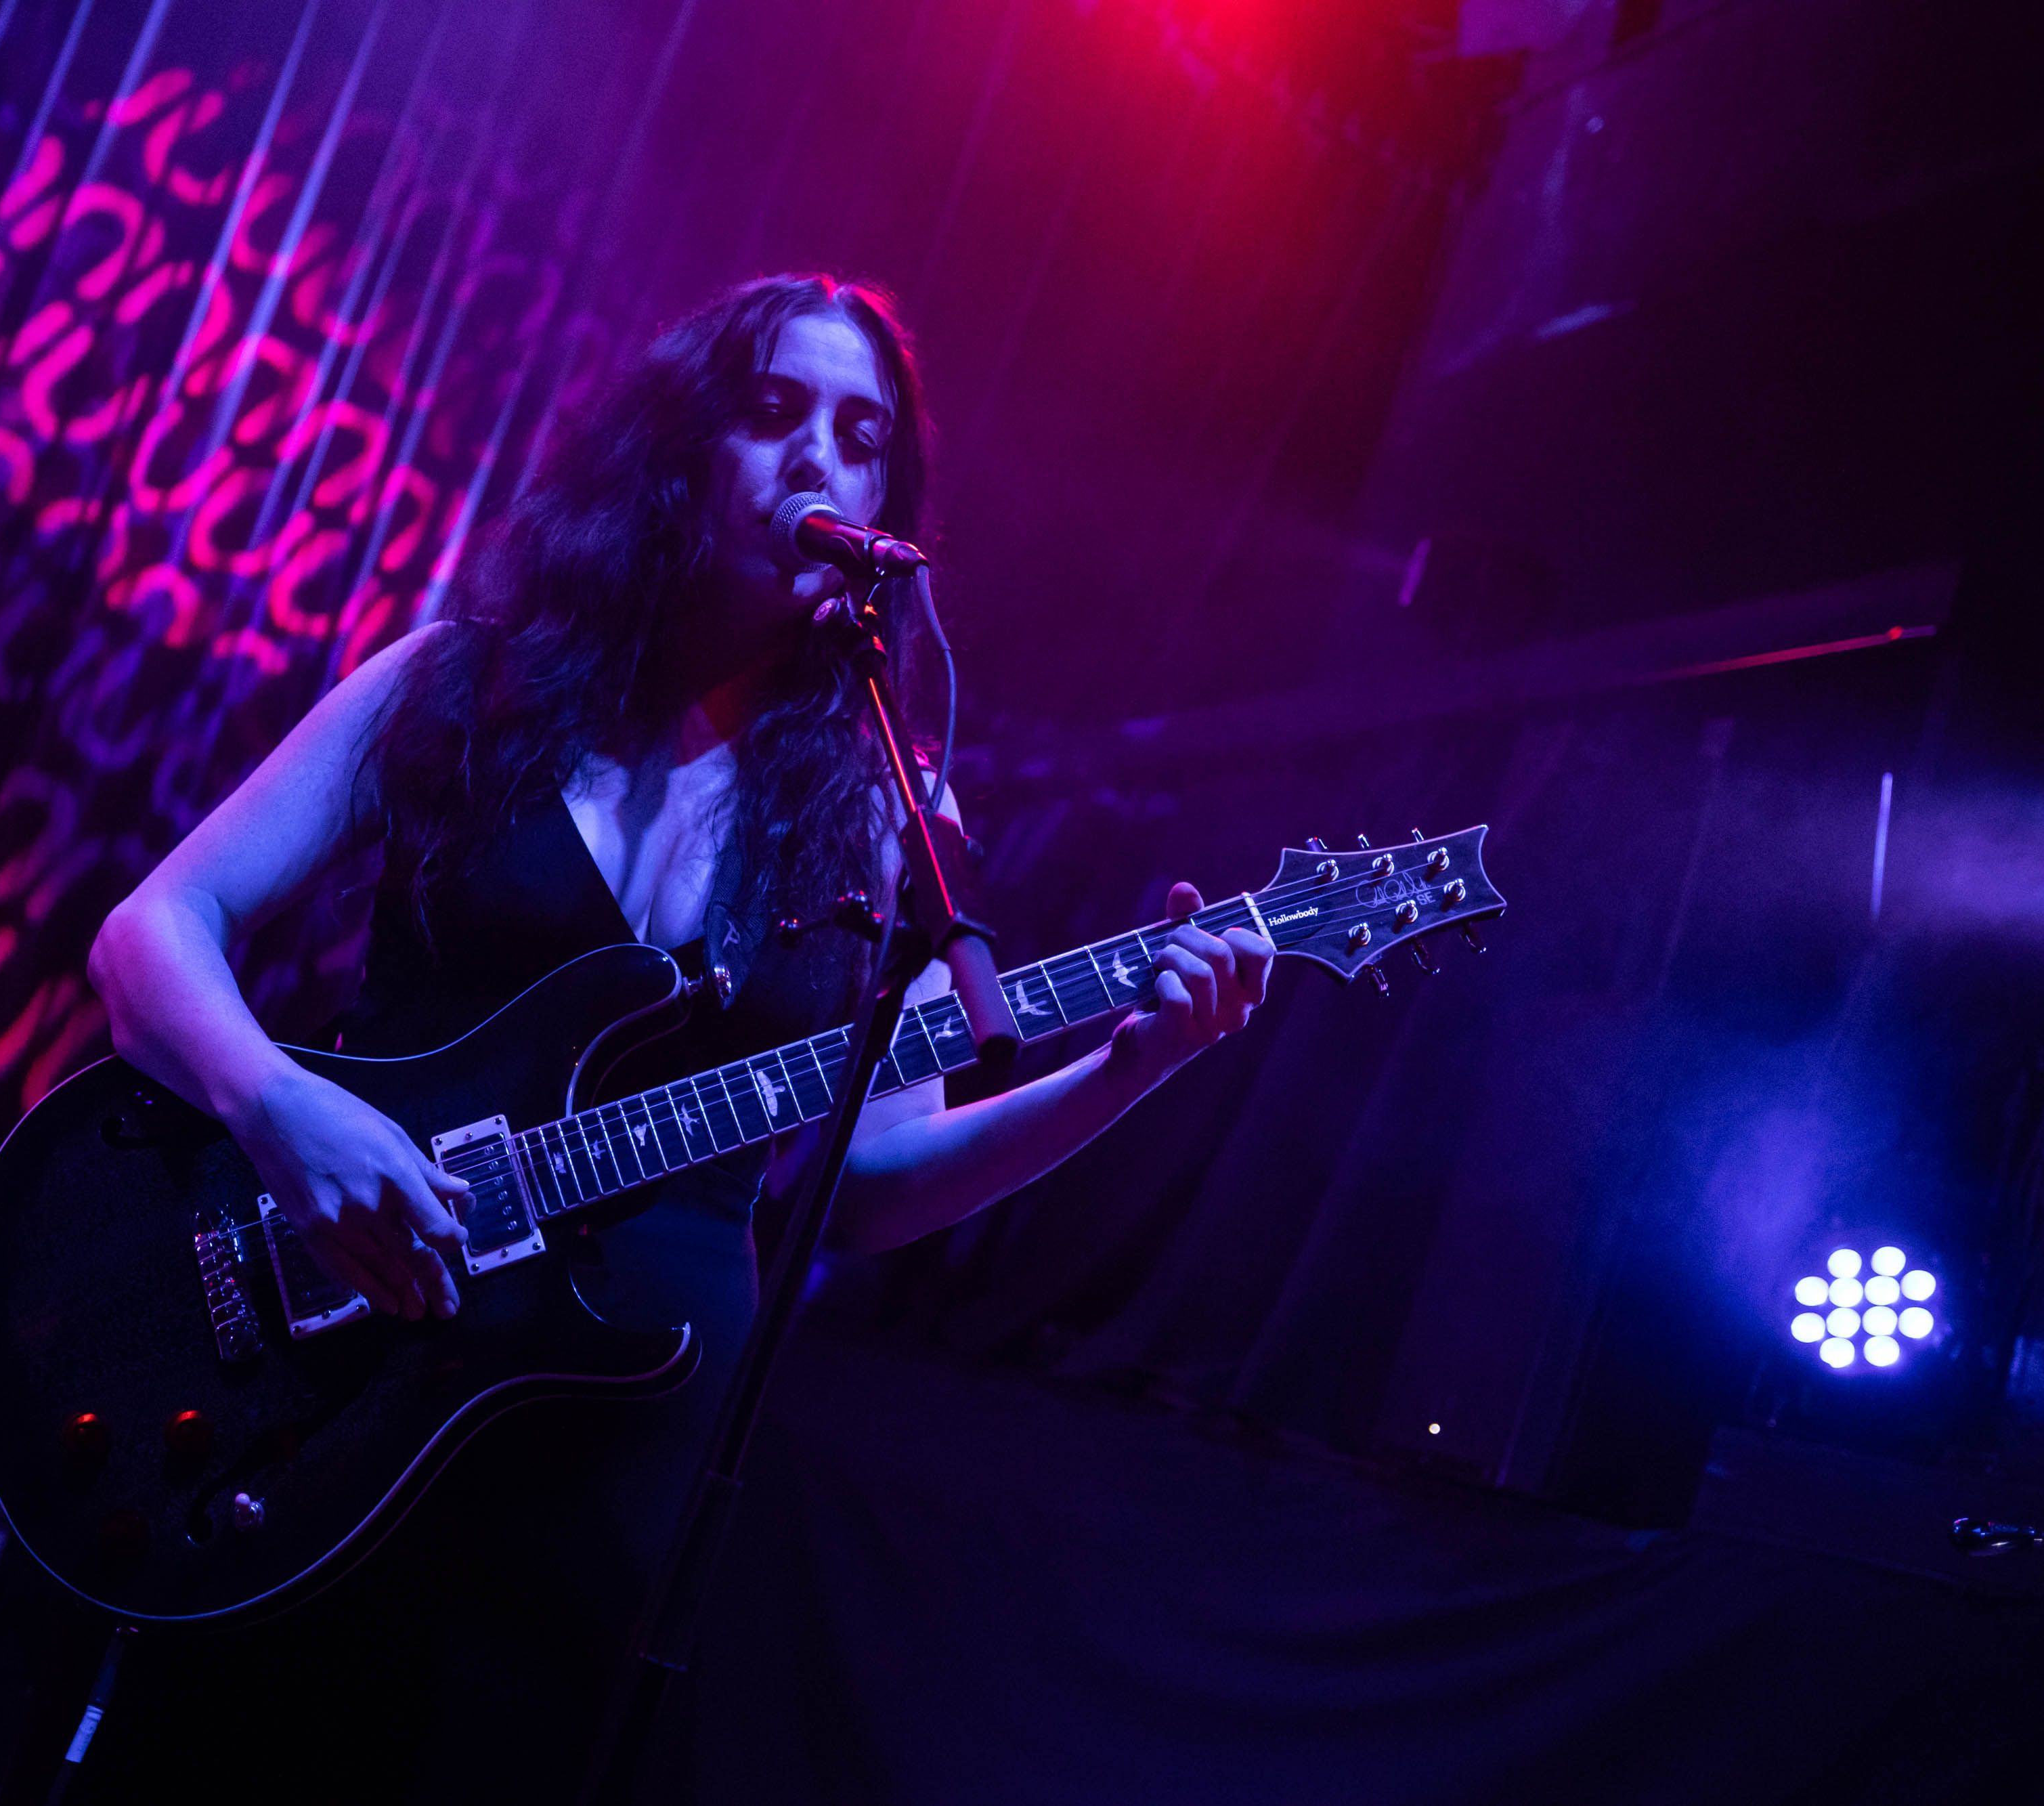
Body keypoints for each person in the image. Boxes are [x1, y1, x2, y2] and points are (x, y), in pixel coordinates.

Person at [80, 273, 1273, 1800]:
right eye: (773, 412)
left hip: (610, 1441)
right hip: (337, 1367)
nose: (819, 463)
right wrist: (279, 1110)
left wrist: (1134, 1065)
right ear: (675, 449)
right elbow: (149, 936)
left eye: (862, 436)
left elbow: (869, 1177)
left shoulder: (880, 815)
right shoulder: (458, 686)